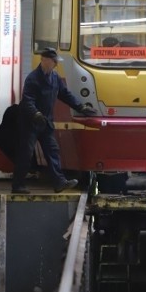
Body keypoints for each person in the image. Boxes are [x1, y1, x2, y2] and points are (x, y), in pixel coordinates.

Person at [11, 48, 97, 194]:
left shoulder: (55, 77)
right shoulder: (33, 78)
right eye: (54, 61)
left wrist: (81, 107)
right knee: (26, 153)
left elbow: (65, 94)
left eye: (56, 61)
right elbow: (27, 100)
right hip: (30, 122)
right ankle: (18, 185)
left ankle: (59, 182)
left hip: (45, 122)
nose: (56, 64)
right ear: (44, 60)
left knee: (52, 151)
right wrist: (36, 114)